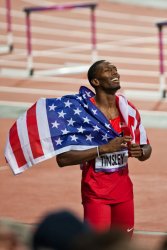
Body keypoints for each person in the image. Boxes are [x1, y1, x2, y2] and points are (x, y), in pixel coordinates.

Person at [56, 60, 152, 237]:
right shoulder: (83, 114)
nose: (115, 72)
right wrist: (103, 149)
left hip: (124, 194)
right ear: (95, 82)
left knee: (122, 246)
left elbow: (146, 148)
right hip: (96, 196)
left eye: (115, 69)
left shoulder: (127, 109)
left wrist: (141, 152)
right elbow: (62, 159)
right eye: (108, 70)